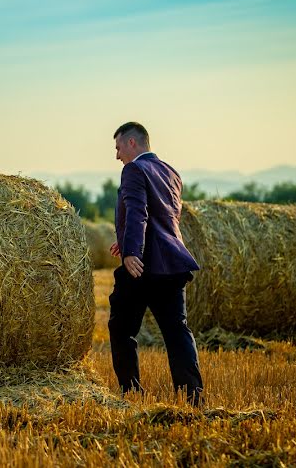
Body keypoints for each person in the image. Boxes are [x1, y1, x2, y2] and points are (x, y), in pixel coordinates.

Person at [108, 121, 204, 406]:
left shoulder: (134, 169)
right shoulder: (170, 171)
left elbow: (139, 212)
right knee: (178, 332)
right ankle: (193, 399)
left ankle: (131, 394)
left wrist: (132, 252)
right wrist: (124, 242)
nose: (117, 156)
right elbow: (166, 218)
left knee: (121, 329)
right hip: (174, 265)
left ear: (132, 143)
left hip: (144, 267)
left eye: (118, 147)